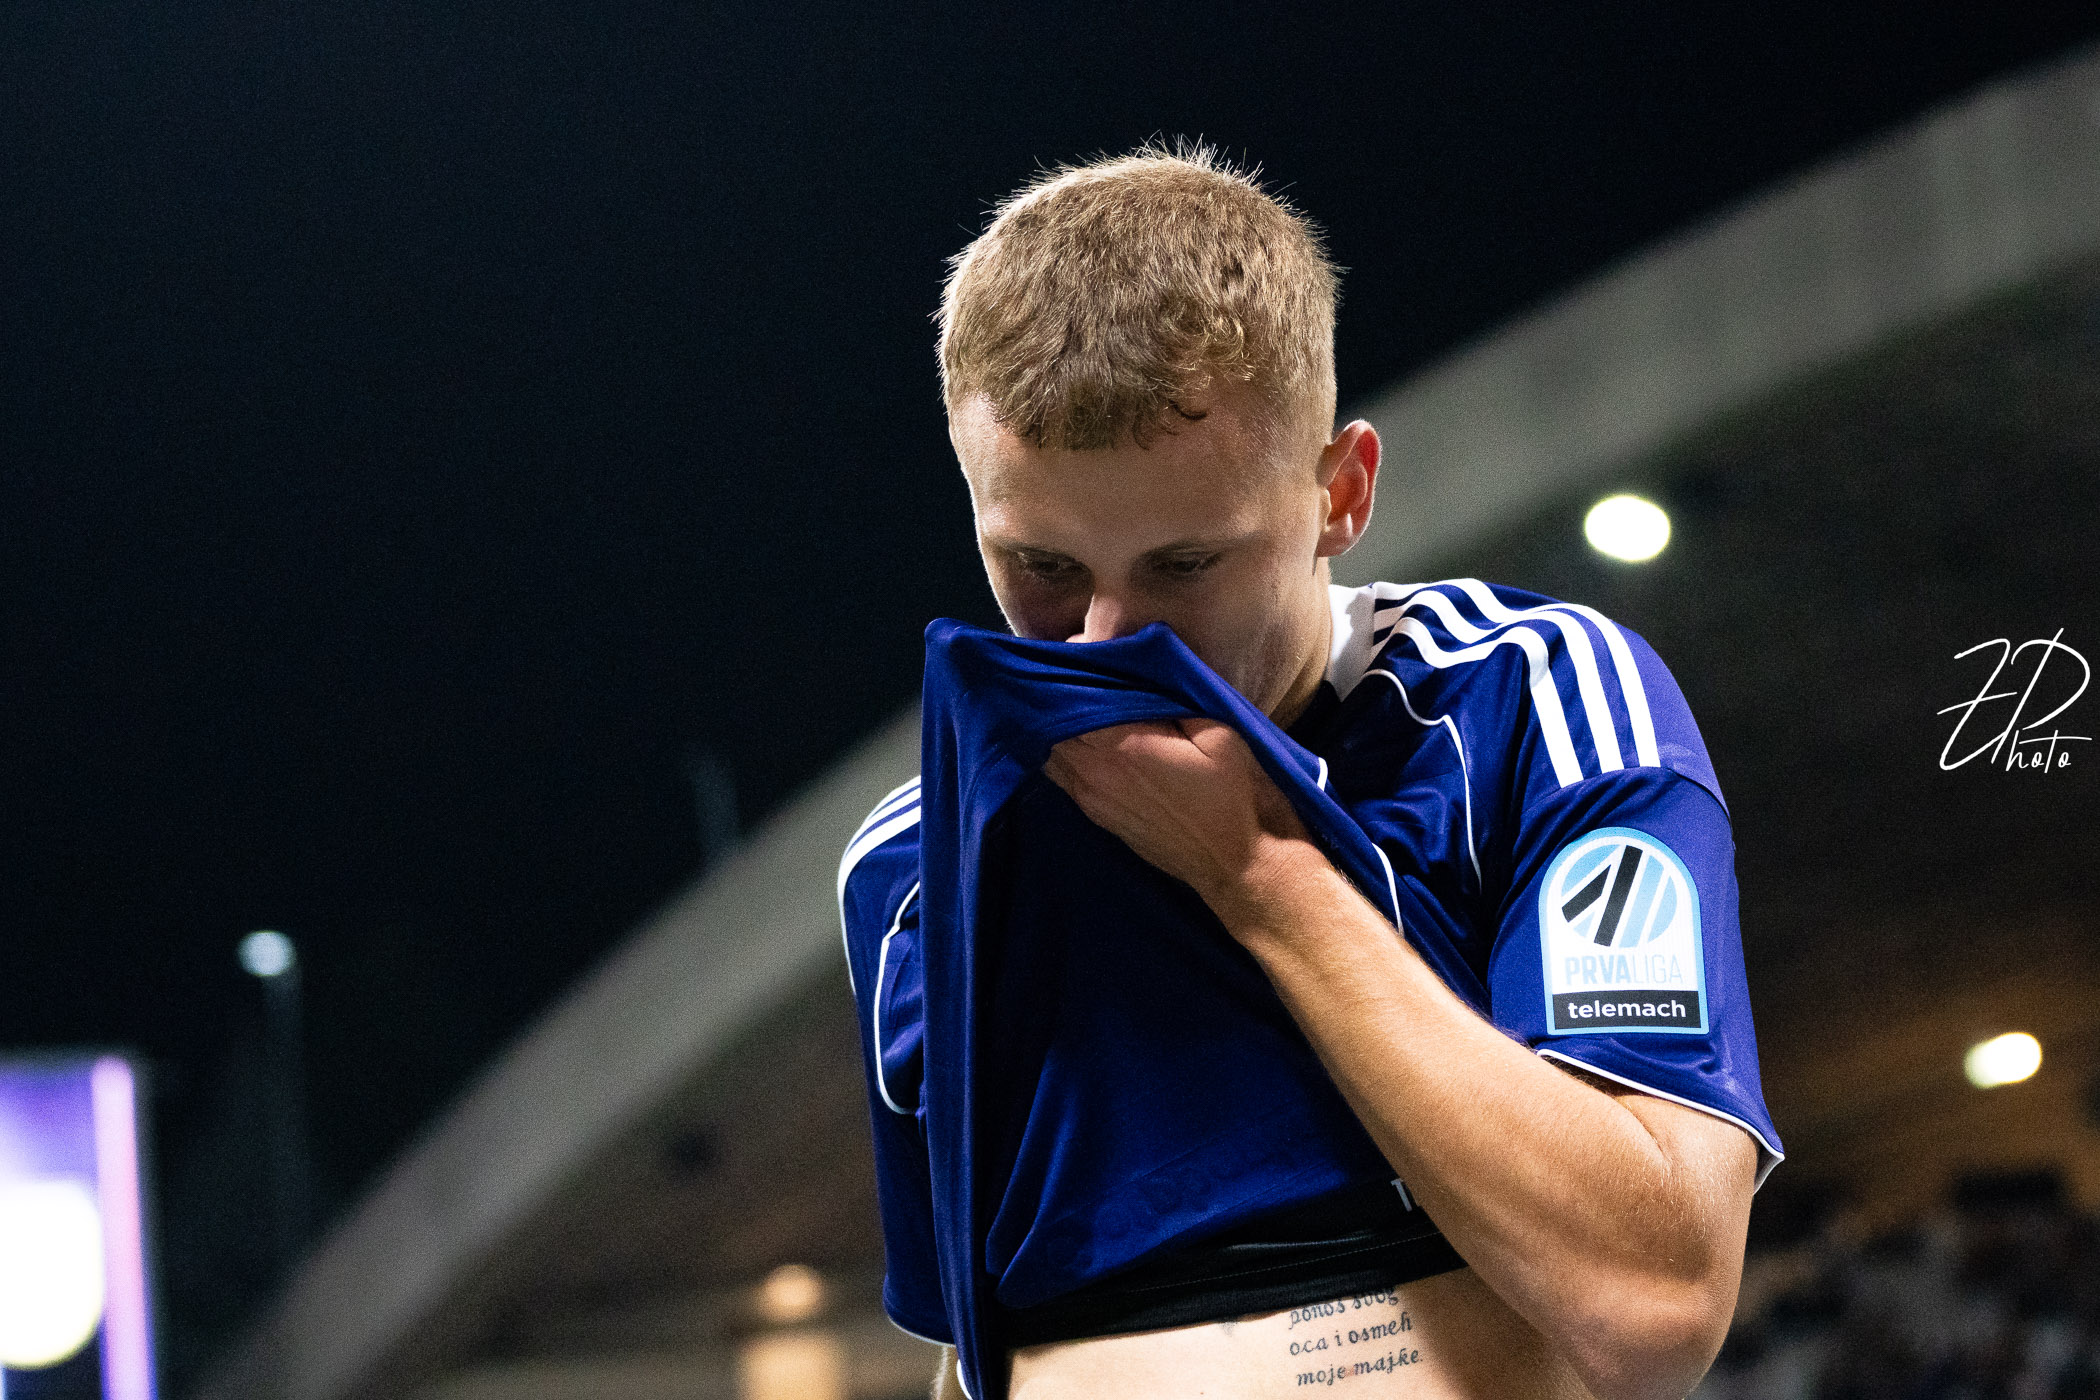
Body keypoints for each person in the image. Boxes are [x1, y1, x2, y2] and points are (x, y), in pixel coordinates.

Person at [838, 143, 1780, 1400]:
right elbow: (976, 1355)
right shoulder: (914, 864)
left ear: (1342, 491)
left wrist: (1261, 874)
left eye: (1184, 565)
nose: (1106, 640)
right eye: (1043, 568)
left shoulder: (1532, 700)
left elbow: (1654, 1302)